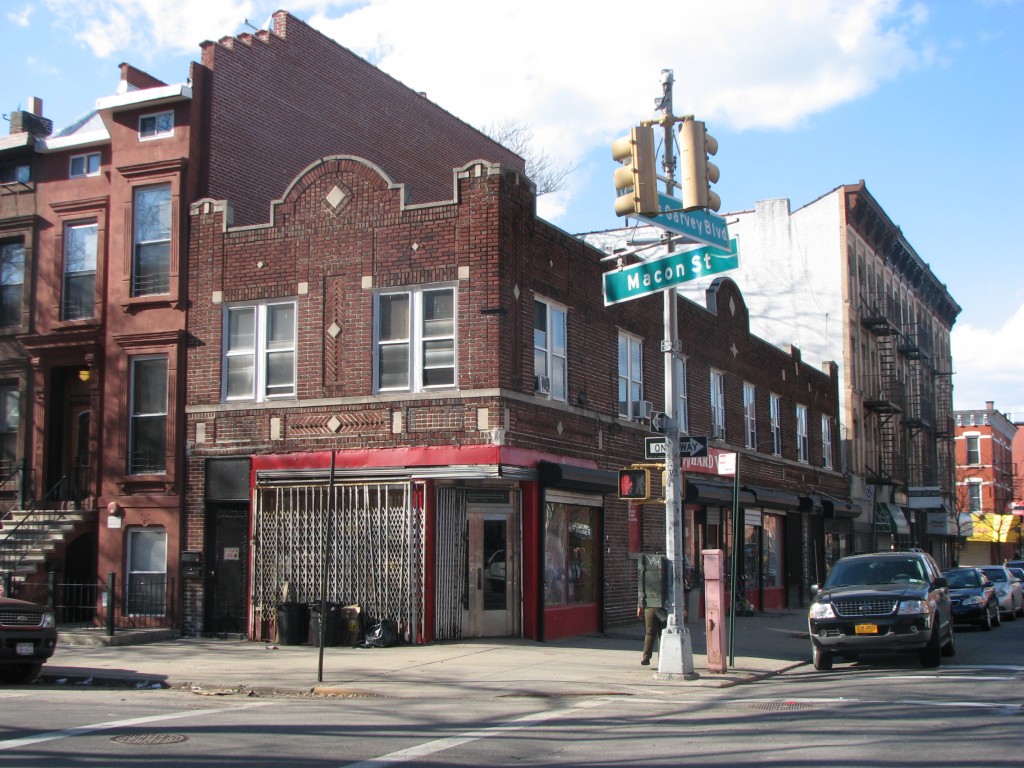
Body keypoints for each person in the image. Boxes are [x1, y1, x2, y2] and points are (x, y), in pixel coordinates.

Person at [637, 555, 667, 666]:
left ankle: (646, 656)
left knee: (650, 632)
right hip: (664, 607)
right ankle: (662, 658)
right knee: (663, 633)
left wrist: (640, 606)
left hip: (650, 605)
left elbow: (642, 590)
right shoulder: (669, 571)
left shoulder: (645, 574)